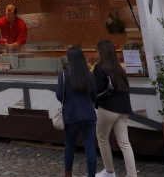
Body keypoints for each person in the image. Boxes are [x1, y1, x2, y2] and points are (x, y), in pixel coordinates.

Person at [93, 41, 136, 177]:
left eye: (98, 50)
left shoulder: (99, 68)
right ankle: (132, 174)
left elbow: (97, 90)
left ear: (102, 52)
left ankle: (109, 171)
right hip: (123, 109)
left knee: (102, 139)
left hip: (108, 108)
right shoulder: (119, 68)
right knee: (125, 143)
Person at [56, 47, 98, 177]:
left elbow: (59, 95)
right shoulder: (90, 75)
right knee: (90, 148)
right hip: (89, 115)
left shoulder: (64, 75)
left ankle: (68, 173)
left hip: (72, 114)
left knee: (69, 145)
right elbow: (94, 97)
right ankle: (91, 175)